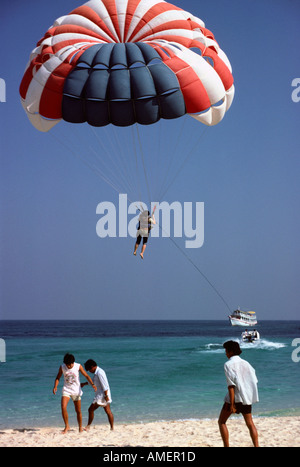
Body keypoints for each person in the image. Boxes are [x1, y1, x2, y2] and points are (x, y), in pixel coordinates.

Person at [218, 341, 259, 447]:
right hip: (246, 398)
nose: (225, 353)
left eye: (226, 351)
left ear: (230, 351)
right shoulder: (246, 363)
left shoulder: (228, 364)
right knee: (250, 424)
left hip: (234, 399)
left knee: (222, 422)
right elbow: (254, 381)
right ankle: (257, 446)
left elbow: (231, 386)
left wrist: (232, 405)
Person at [53, 353, 97, 434]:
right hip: (66, 390)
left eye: (69, 365)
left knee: (78, 411)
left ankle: (80, 427)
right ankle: (67, 426)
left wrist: (93, 385)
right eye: (67, 365)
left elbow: (86, 376)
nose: (68, 366)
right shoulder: (62, 367)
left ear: (73, 362)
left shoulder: (78, 366)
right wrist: (55, 387)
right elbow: (58, 377)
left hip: (76, 391)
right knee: (63, 407)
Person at [83, 359, 114, 431]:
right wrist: (84, 384)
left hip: (102, 395)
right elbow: (94, 382)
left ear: (92, 367)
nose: (89, 371)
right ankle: (112, 428)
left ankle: (88, 426)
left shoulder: (100, 372)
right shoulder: (97, 373)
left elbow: (105, 385)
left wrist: (106, 396)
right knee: (108, 411)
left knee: (90, 409)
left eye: (89, 369)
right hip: (103, 394)